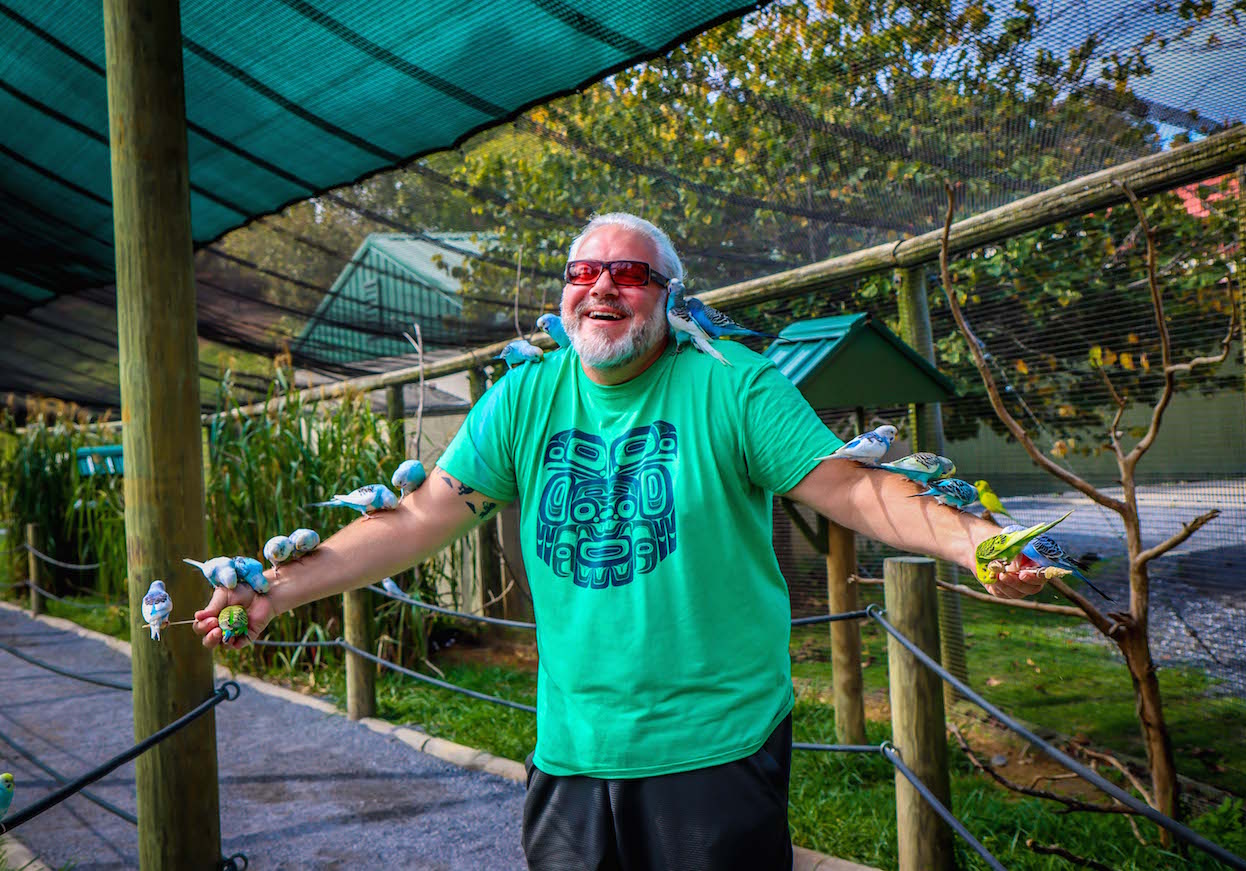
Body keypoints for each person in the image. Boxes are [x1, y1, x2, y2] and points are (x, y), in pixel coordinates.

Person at [195, 212, 1049, 871]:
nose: (602, 287)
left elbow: (855, 486)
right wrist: (274, 592)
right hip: (571, 752)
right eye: (584, 271)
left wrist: (978, 542)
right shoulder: (523, 396)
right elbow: (417, 517)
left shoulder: (733, 383)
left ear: (671, 296)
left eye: (629, 273)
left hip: (716, 749)